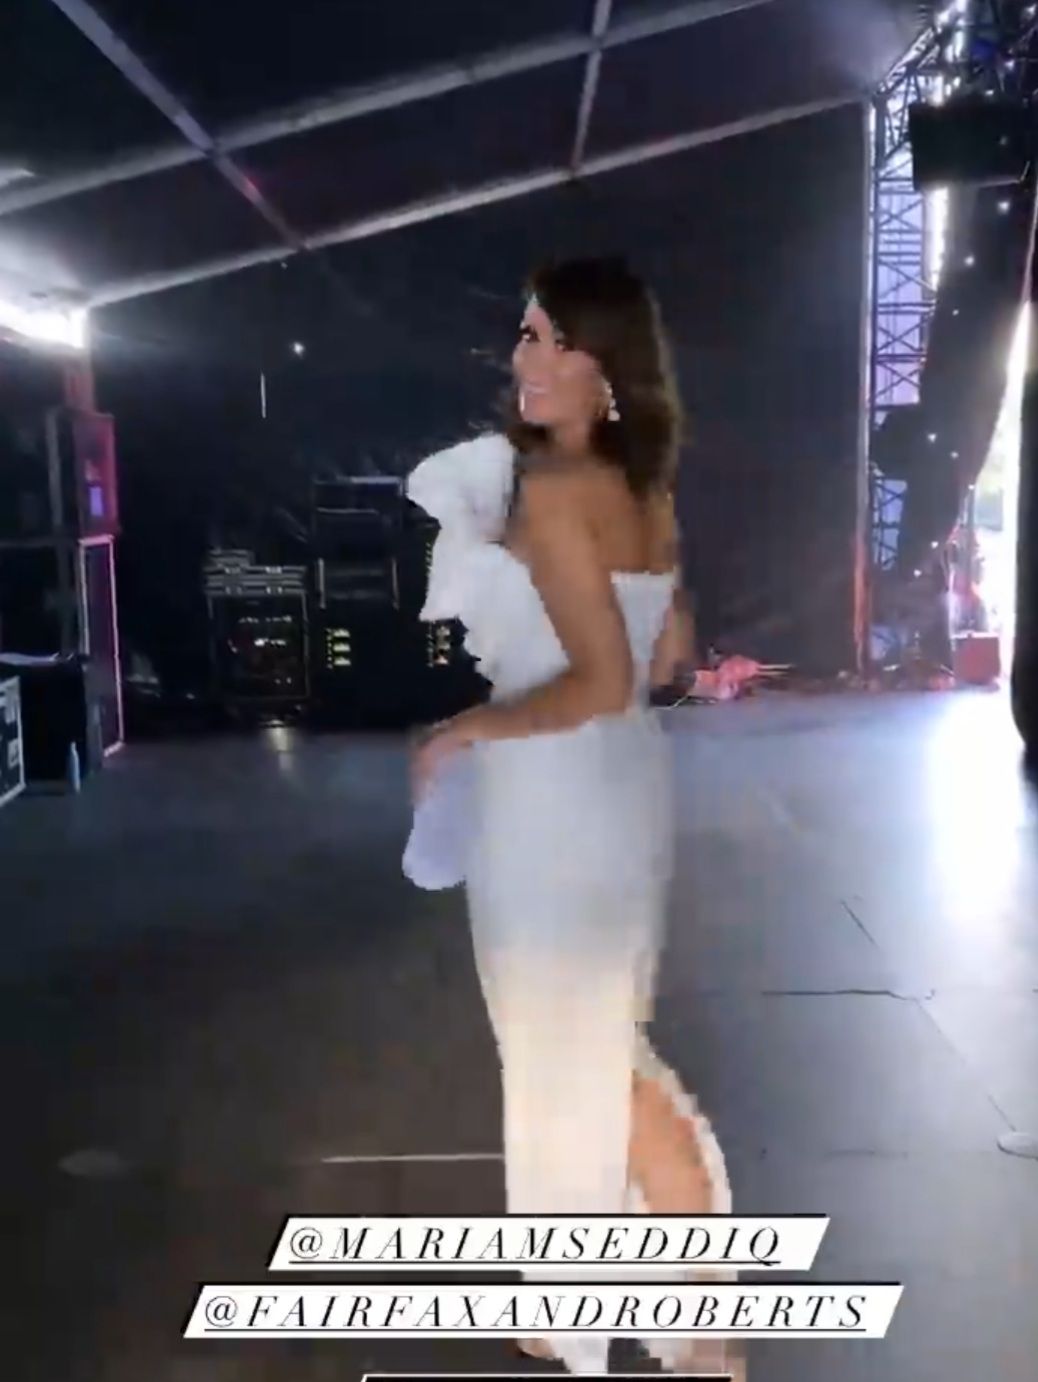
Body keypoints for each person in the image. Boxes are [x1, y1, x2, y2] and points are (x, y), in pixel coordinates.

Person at [406, 258, 757, 1374]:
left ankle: (699, 1317)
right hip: (618, 789)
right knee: (594, 1048)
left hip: (554, 798)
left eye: (560, 339)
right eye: (527, 334)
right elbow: (666, 658)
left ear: (611, 365)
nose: (534, 358)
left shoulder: (557, 491)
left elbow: (600, 681)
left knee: (587, 1060)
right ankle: (611, 1300)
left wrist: (464, 727)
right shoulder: (642, 488)